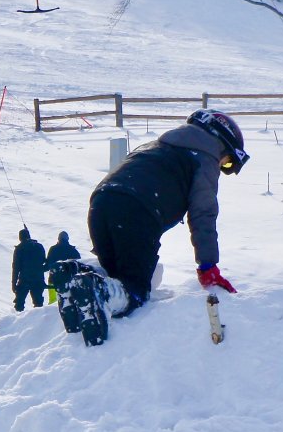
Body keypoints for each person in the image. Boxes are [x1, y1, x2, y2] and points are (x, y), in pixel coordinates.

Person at [87, 109, 247, 318]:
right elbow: (203, 214)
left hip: (100, 203)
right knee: (134, 289)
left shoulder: (155, 146)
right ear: (221, 142)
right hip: (137, 211)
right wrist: (208, 265)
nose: (222, 165)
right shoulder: (205, 158)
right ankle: (101, 294)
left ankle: (81, 277)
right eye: (226, 162)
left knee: (115, 273)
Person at [11, 227, 47, 312]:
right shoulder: (39, 246)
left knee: (19, 304)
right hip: (38, 279)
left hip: (24, 279)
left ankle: (17, 321)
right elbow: (43, 260)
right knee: (38, 304)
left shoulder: (19, 249)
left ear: (20, 238)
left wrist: (14, 284)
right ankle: (40, 322)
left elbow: (16, 268)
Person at [43, 230, 81, 303]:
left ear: (58, 238)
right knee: (69, 302)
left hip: (53, 280)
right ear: (67, 239)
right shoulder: (73, 250)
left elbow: (48, 265)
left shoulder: (53, 249)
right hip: (69, 281)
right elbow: (79, 265)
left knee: (53, 302)